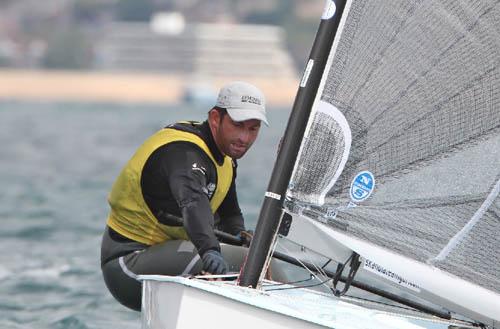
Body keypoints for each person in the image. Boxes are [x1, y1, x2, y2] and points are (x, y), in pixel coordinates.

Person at [100, 81, 268, 311]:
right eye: (238, 125)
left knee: (260, 261)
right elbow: (193, 203)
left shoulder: (226, 159)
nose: (244, 138)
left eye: (253, 129)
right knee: (217, 262)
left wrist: (240, 235)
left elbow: (229, 213)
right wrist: (210, 249)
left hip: (169, 254)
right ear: (215, 119)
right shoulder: (184, 153)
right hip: (127, 265)